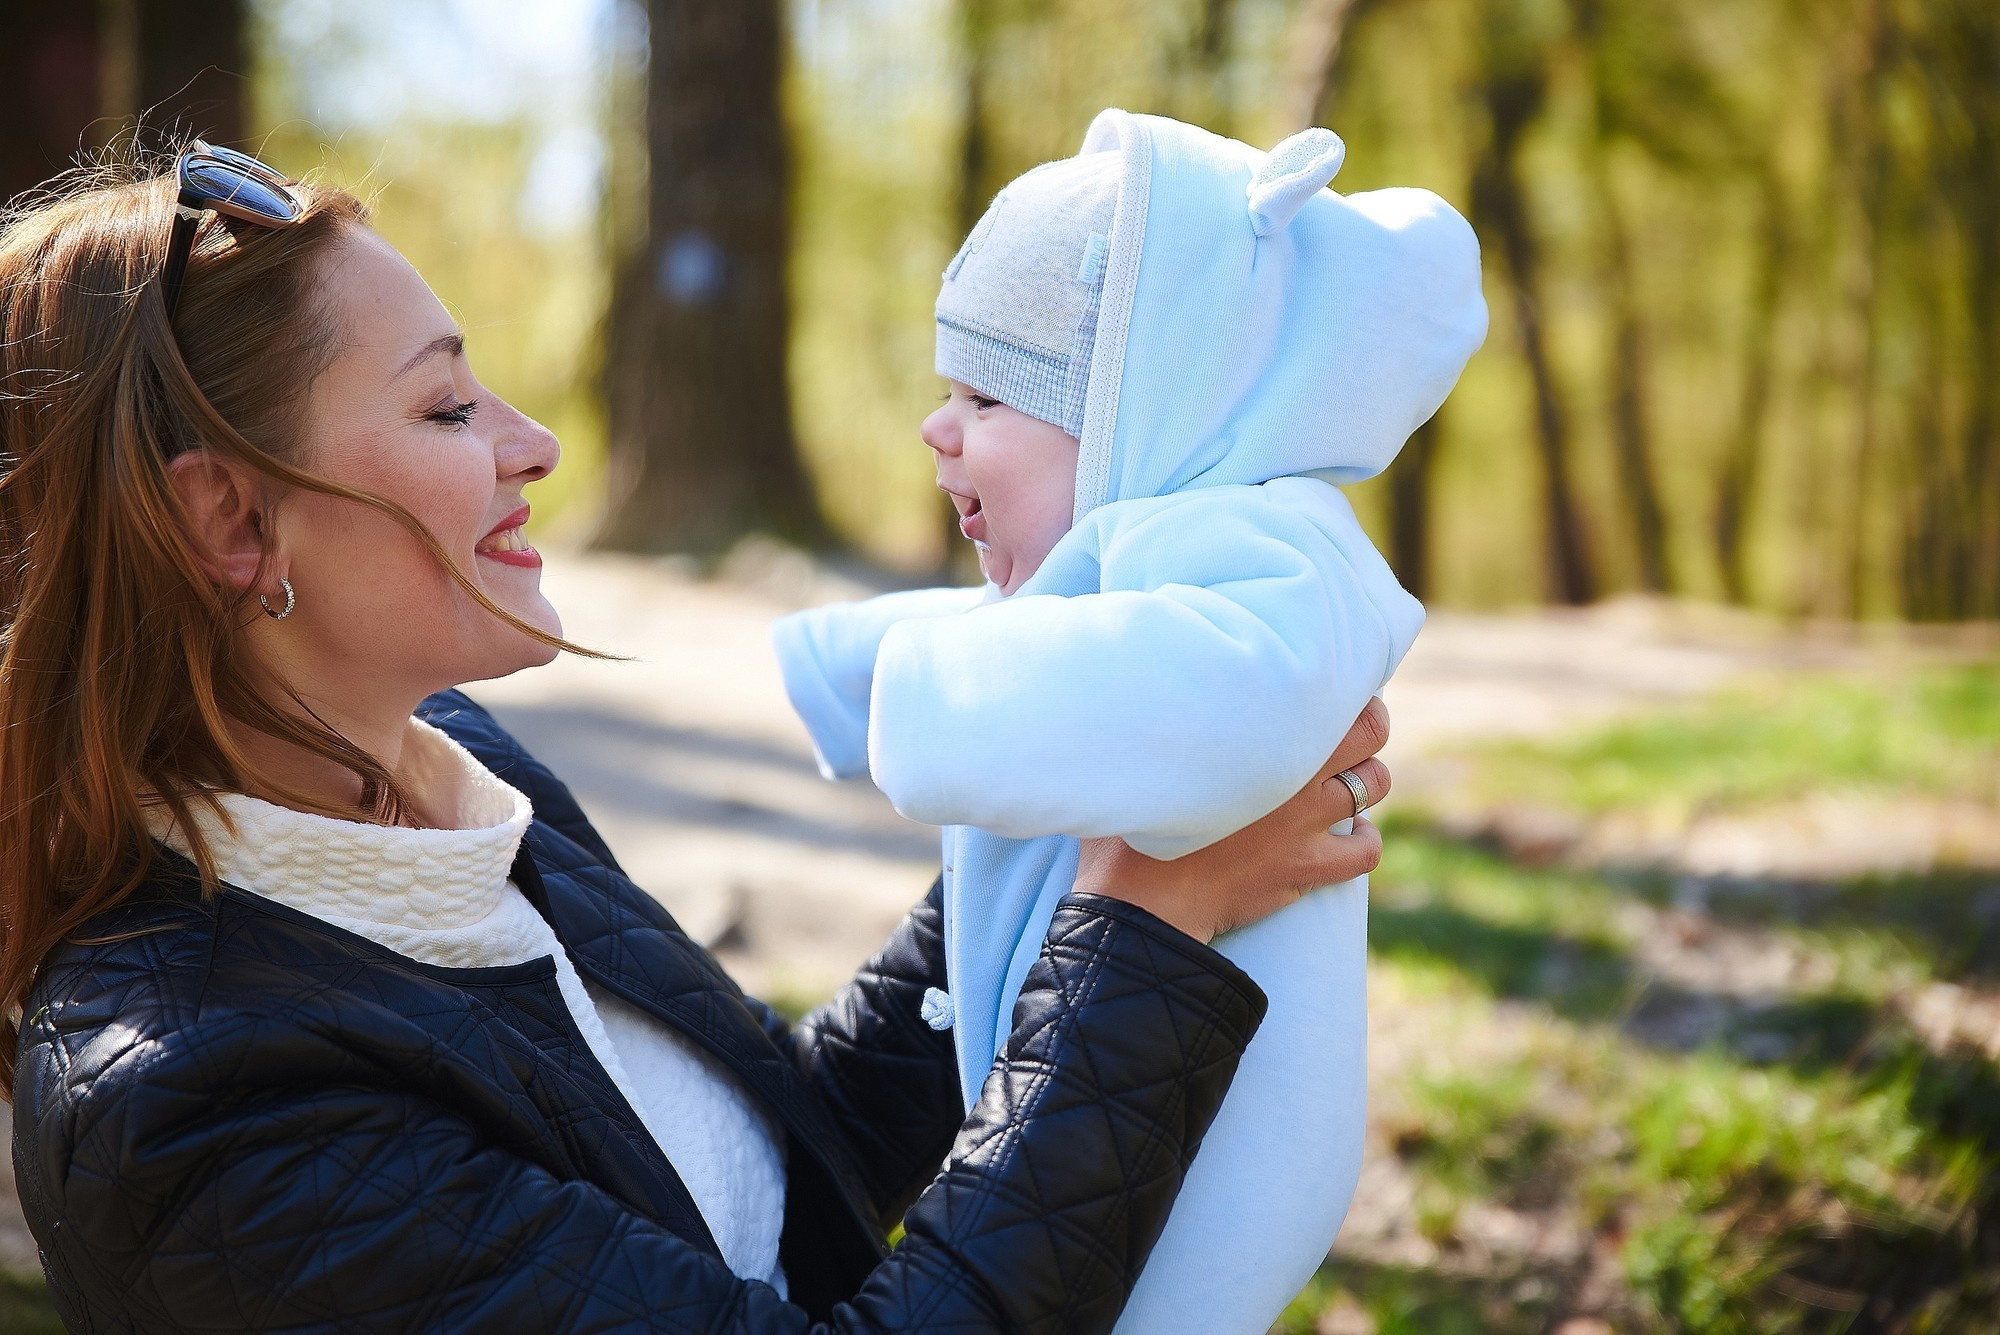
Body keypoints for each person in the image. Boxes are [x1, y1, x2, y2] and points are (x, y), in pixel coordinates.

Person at [0, 142, 1395, 1333]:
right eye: (445, 406)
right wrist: (1147, 926)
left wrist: (1098, 782)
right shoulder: (205, 1110)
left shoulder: (458, 775)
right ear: (232, 527)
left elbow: (786, 1157)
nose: (534, 441)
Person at [771, 111, 1486, 1334]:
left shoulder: (1274, 545)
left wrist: (931, 702)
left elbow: (1228, 699)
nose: (938, 429)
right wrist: (848, 665)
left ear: (1137, 415)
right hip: (1109, 1097)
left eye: (987, 394)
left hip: (1207, 1171)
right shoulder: (1150, 553)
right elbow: (1038, 629)